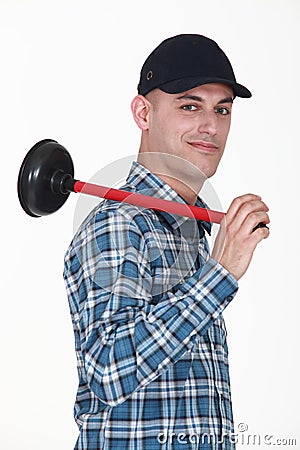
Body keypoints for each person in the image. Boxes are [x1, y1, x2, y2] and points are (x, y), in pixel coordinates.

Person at [64, 34, 270, 450]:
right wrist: (221, 273)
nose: (210, 126)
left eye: (222, 109)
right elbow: (108, 371)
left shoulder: (188, 235)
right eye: (189, 106)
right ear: (143, 112)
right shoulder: (120, 225)